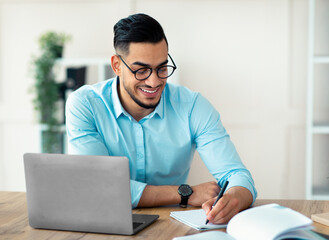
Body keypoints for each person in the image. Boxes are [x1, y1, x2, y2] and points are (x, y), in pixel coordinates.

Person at [65, 13, 257, 224]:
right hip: (103, 223)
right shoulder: (84, 105)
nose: (154, 81)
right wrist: (185, 193)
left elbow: (236, 174)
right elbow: (97, 185)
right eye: (141, 70)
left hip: (172, 226)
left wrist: (233, 198)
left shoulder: (192, 106)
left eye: (162, 68)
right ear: (117, 65)